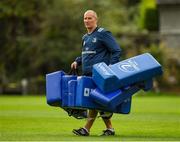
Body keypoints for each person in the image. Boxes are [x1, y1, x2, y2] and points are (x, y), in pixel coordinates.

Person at [71, 10, 121, 136]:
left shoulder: (103, 33)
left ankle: (86, 129)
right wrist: (77, 61)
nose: (87, 21)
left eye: (89, 18)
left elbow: (116, 50)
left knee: (94, 102)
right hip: (87, 75)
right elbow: (86, 54)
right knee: (95, 102)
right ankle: (109, 129)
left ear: (96, 20)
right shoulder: (85, 37)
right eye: (85, 18)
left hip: (99, 75)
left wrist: (110, 67)